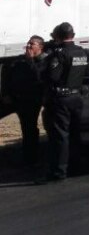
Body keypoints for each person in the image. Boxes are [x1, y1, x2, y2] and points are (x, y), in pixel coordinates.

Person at [39, 22, 89, 184]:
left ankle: (59, 171)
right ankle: (76, 166)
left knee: (60, 136)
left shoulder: (59, 54)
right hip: (77, 98)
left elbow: (52, 77)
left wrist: (43, 61)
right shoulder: (82, 52)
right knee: (75, 133)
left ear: (57, 36)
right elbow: (88, 76)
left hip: (61, 99)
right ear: (72, 35)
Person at [0, 35, 48, 166]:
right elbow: (6, 75)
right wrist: (5, 94)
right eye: (28, 44)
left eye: (32, 44)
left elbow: (39, 77)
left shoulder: (44, 61)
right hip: (13, 98)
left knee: (29, 129)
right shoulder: (19, 60)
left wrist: (31, 61)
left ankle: (30, 159)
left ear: (40, 47)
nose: (28, 46)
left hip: (30, 101)